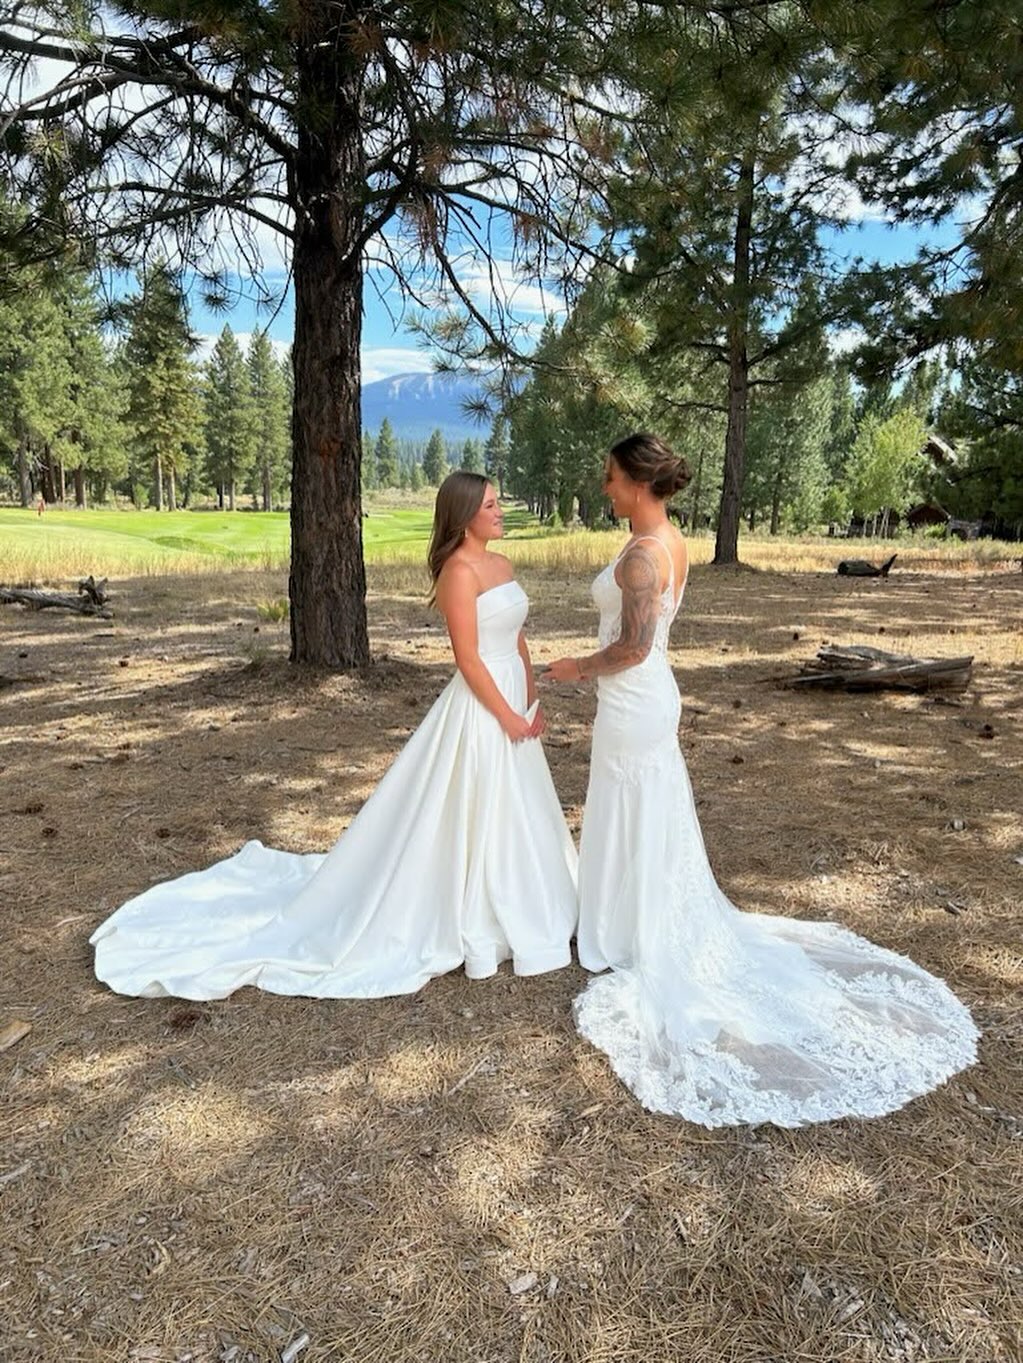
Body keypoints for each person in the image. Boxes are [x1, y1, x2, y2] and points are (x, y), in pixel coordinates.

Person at [544, 432, 977, 1127]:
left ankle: (630, 930)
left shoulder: (642, 560)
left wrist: (572, 668)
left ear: (637, 481)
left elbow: (630, 647)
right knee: (640, 808)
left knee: (633, 805)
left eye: (610, 477)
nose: (604, 487)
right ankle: (620, 917)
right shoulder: (671, 540)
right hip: (645, 699)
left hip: (634, 697)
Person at [90, 472, 577, 999]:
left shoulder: (502, 564)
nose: (500, 509)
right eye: (490, 504)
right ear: (464, 516)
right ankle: (474, 902)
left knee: (520, 805)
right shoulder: (459, 572)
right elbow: (468, 658)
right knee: (476, 802)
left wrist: (529, 699)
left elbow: (518, 640)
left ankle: (530, 893)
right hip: (483, 703)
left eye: (497, 501)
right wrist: (505, 715)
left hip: (513, 695)